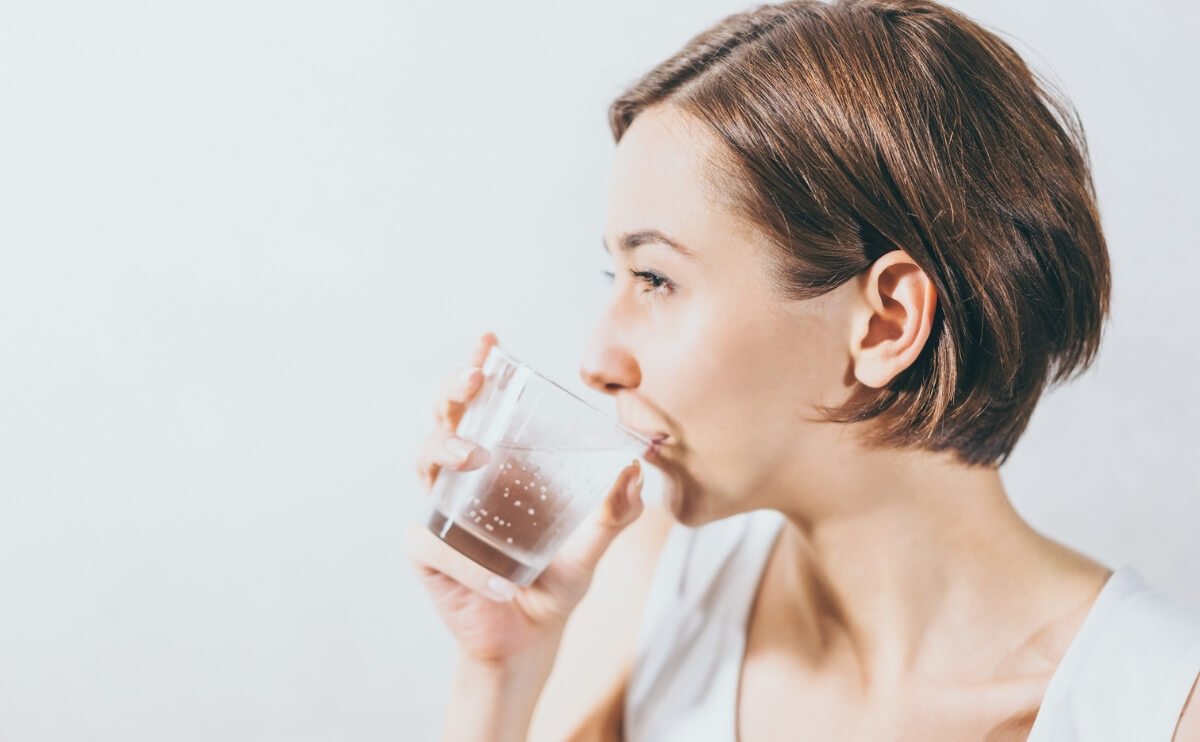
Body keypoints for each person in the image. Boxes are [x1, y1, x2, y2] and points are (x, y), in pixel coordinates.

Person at [405, 0, 1200, 739]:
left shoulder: (1158, 710)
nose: (597, 361)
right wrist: (496, 676)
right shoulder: (646, 586)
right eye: (615, 278)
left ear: (888, 321)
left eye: (656, 279)